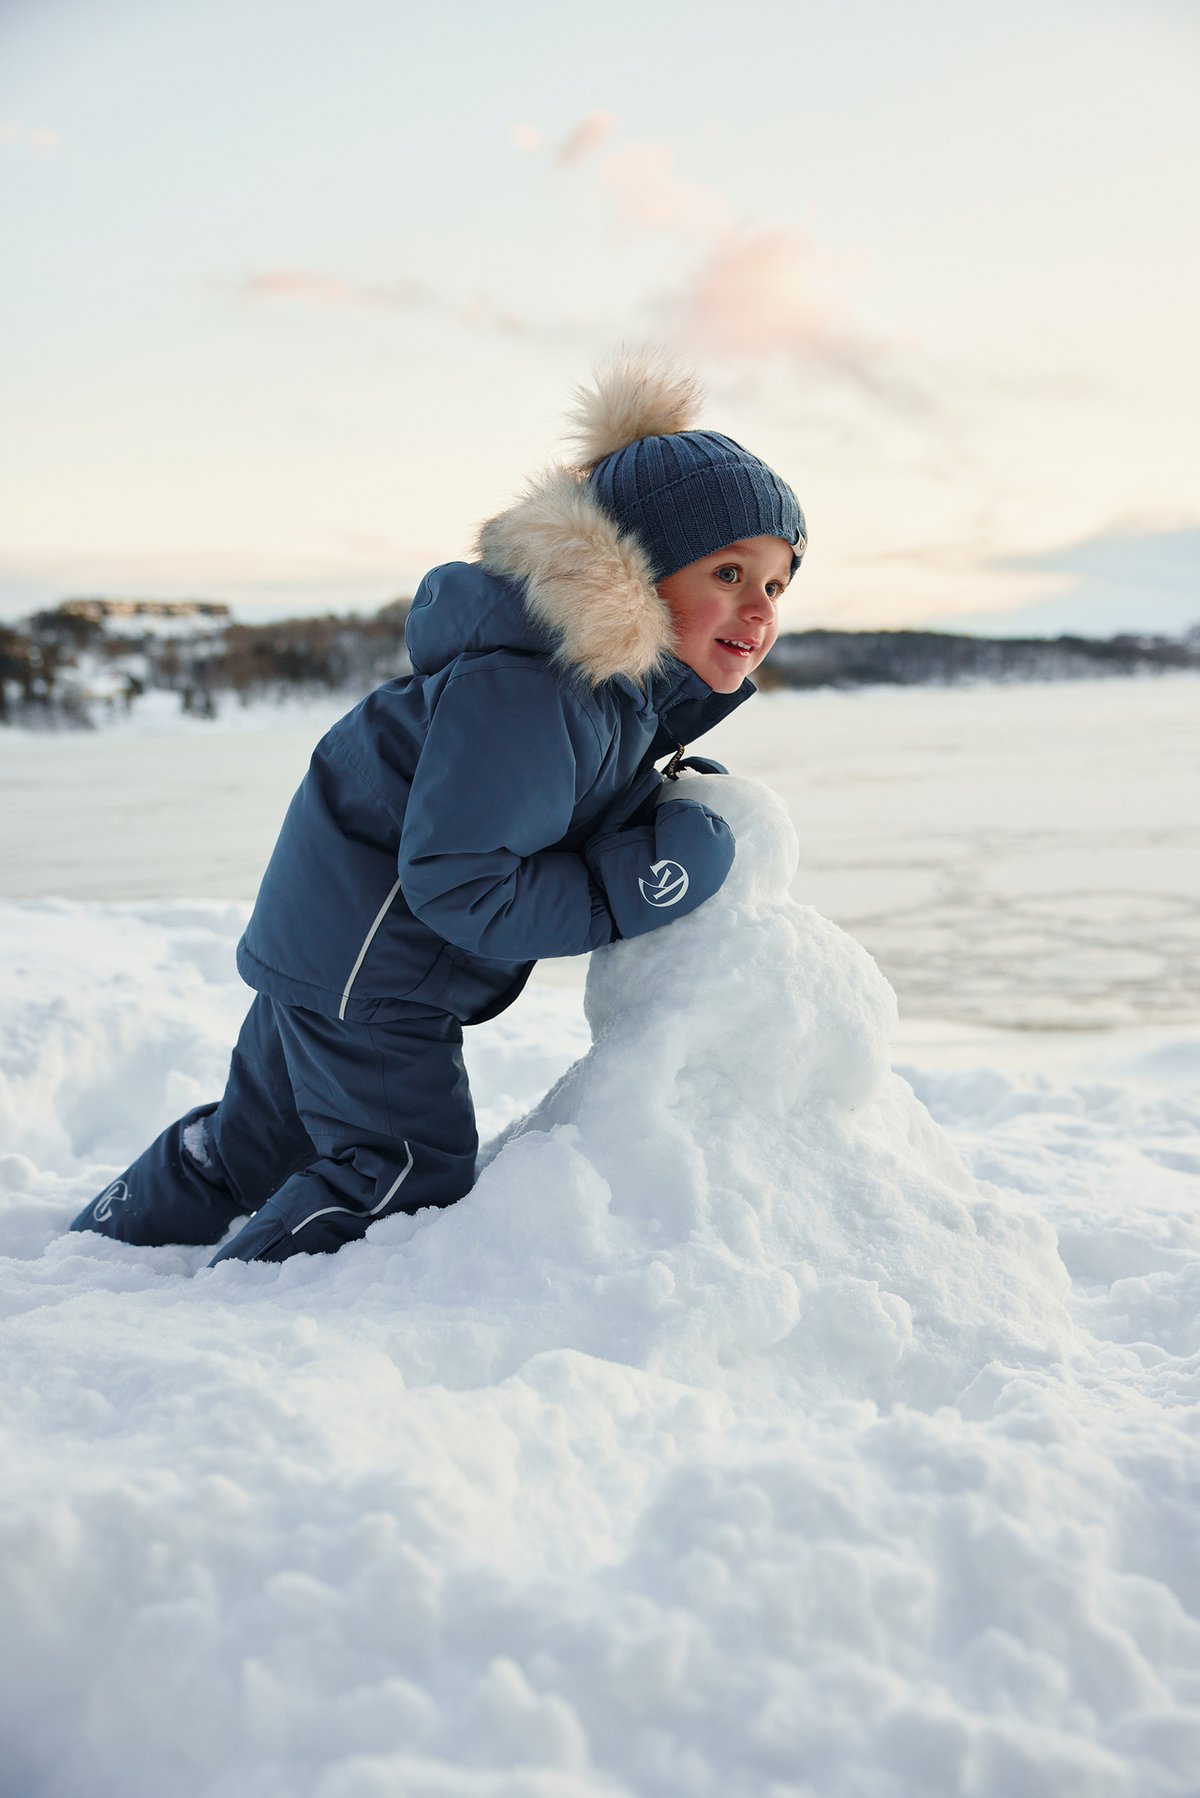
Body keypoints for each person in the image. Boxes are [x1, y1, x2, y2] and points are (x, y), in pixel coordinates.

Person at [69, 351, 806, 1265]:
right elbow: (466, 886)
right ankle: (238, 1327)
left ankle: (89, 1254)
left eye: (776, 584)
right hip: (377, 971)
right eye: (729, 573)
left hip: (332, 941)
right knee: (401, 1172)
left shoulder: (591, 692)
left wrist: (642, 801)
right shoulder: (539, 693)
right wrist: (639, 884)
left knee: (252, 1147)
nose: (760, 607)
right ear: (638, 575)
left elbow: (530, 809)